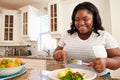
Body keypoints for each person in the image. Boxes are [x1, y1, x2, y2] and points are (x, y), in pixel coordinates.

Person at [53, 1, 120, 78]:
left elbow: (118, 58)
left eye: (86, 19)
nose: (81, 23)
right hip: (72, 77)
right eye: (77, 19)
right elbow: (56, 52)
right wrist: (57, 54)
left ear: (94, 19)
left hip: (99, 77)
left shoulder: (104, 35)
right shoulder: (67, 36)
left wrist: (106, 62)